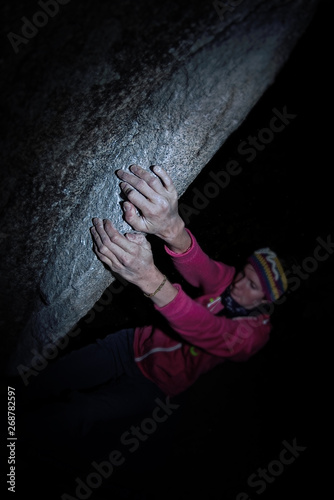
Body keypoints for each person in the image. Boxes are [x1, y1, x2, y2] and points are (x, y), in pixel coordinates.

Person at [18, 164, 288, 456]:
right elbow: (202, 268)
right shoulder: (229, 281)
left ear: (266, 301)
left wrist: (148, 277)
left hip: (157, 385)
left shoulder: (253, 336)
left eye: (251, 285)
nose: (238, 284)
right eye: (243, 273)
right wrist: (173, 229)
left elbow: (207, 330)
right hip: (130, 344)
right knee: (55, 376)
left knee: (81, 413)